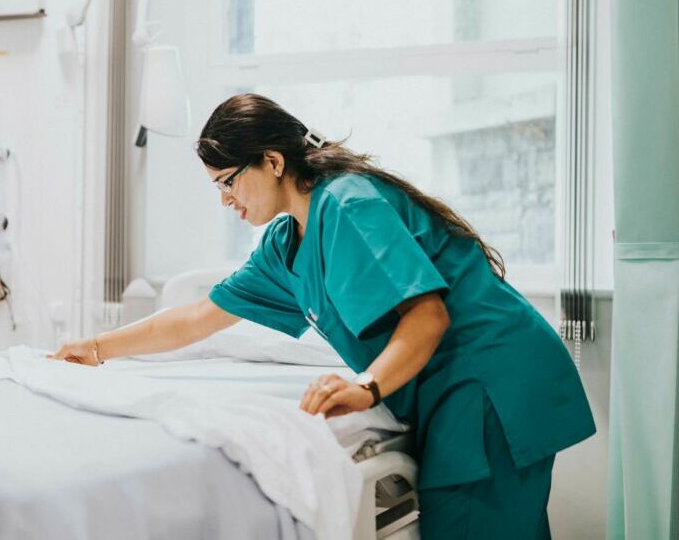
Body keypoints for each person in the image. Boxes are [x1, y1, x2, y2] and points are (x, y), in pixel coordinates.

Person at [50, 93, 595, 539]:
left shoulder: (347, 204)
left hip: (490, 381)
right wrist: (96, 347)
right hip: (458, 390)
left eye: (227, 181)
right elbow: (199, 315)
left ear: (272, 161)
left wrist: (366, 388)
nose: (224, 200)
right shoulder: (285, 242)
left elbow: (427, 316)